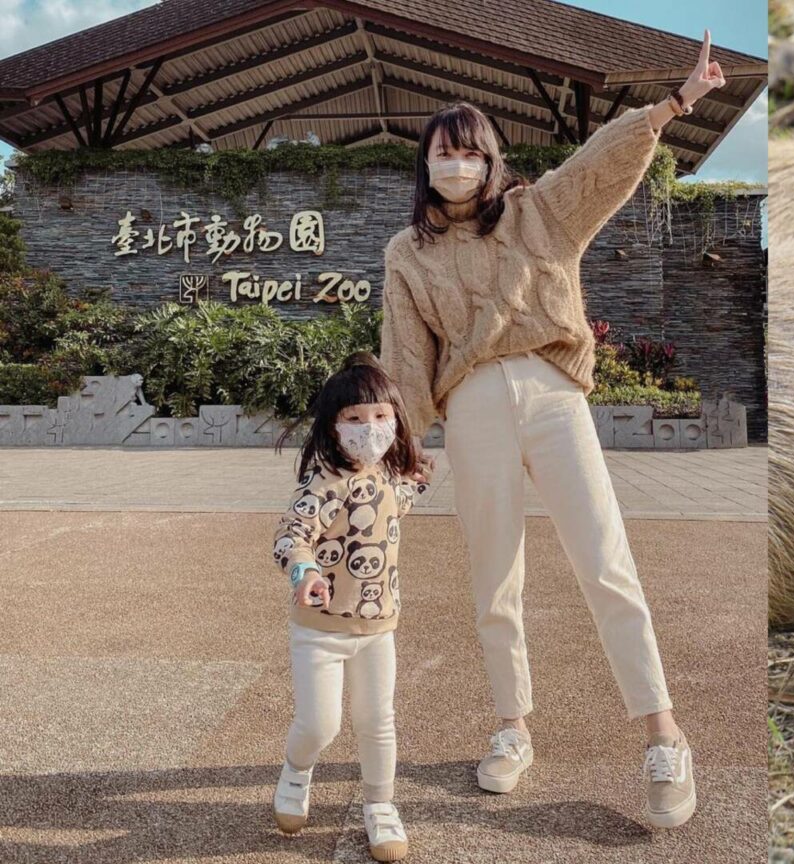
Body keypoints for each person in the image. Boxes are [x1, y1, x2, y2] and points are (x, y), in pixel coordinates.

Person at [379, 31, 726, 828]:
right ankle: (511, 728)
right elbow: (405, 351)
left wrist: (675, 104)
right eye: (441, 152)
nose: (454, 164)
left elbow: (599, 163)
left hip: (552, 391)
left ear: (491, 160)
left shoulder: (538, 213)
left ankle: (663, 734)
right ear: (424, 162)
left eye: (468, 151)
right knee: (493, 574)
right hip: (470, 406)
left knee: (605, 559)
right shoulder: (408, 251)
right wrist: (406, 443)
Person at [269, 353, 432, 862]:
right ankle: (296, 772)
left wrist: (421, 474)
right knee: (321, 724)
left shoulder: (387, 474)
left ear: (396, 419)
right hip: (321, 629)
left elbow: (403, 496)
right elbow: (291, 534)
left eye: (381, 416)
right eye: (355, 419)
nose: (370, 429)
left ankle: (380, 805)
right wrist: (305, 571)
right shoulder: (325, 482)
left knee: (377, 721)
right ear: (333, 425)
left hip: (379, 626)